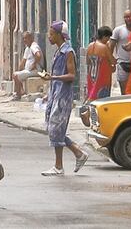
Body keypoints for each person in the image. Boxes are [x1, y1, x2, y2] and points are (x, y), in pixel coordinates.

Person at [39, 21, 87, 176]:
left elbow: (72, 75)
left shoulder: (68, 52)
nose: (49, 36)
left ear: (60, 35)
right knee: (52, 129)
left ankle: (59, 166)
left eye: (52, 33)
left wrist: (53, 77)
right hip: (55, 94)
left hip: (63, 97)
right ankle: (78, 153)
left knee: (56, 129)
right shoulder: (57, 51)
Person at [109, 9, 131, 94]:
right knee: (124, 90)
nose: (128, 19)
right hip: (122, 63)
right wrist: (112, 62)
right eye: (125, 17)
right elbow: (111, 47)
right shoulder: (118, 30)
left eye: (130, 17)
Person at [85, 26, 115, 101]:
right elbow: (112, 61)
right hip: (103, 77)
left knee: (91, 95)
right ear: (104, 36)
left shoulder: (89, 46)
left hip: (91, 76)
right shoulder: (104, 47)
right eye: (108, 37)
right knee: (102, 99)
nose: (108, 40)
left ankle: (89, 110)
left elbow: (87, 62)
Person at [11, 31, 43, 100]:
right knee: (15, 74)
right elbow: (23, 61)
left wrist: (34, 64)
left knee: (16, 75)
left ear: (31, 38)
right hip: (29, 70)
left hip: (36, 70)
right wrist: (19, 69)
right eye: (23, 38)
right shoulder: (27, 48)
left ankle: (18, 95)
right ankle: (21, 92)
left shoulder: (34, 46)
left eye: (26, 38)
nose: (24, 40)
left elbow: (38, 55)